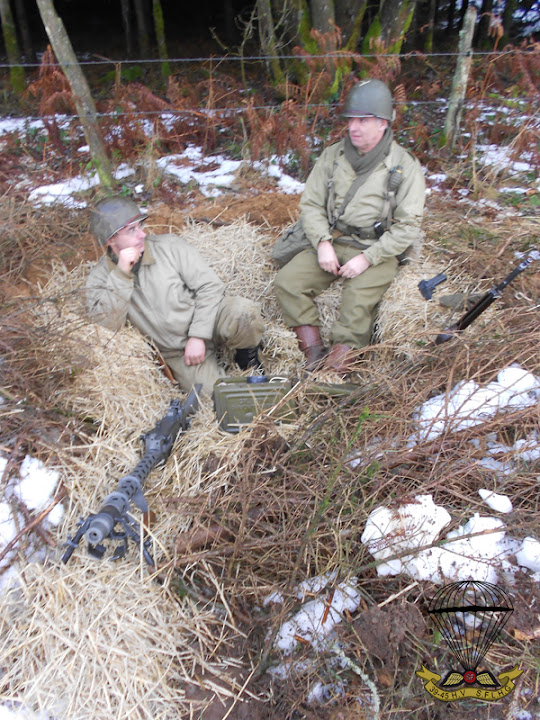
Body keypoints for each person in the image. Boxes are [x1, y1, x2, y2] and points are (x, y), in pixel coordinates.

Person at [274, 78, 425, 374]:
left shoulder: (404, 166)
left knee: (357, 301)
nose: (353, 127)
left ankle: (337, 369)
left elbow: (408, 226)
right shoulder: (333, 156)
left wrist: (367, 259)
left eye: (363, 120)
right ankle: (313, 353)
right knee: (288, 282)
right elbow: (311, 205)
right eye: (351, 120)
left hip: (376, 247)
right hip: (335, 237)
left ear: (382, 123)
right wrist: (322, 242)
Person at [86, 195, 265, 395]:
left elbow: (210, 287)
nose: (142, 235)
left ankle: (247, 356)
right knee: (215, 397)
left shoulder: (170, 246)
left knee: (243, 312)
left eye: (140, 226)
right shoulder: (99, 278)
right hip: (176, 351)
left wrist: (198, 335)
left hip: (207, 321)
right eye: (131, 230)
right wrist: (121, 275)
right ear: (111, 239)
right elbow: (106, 327)